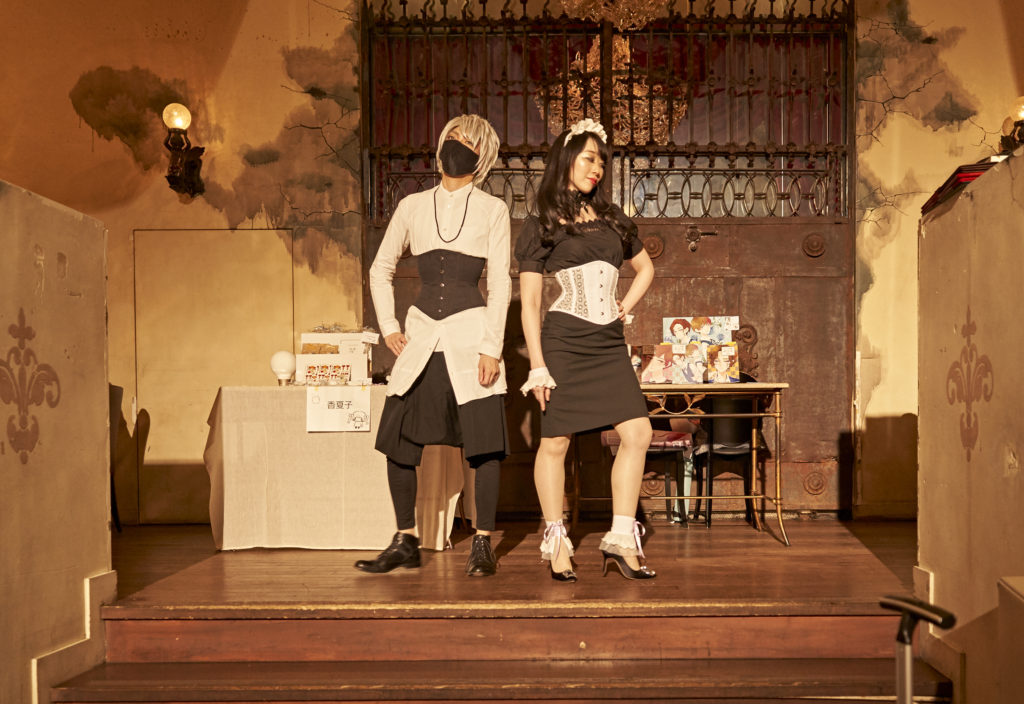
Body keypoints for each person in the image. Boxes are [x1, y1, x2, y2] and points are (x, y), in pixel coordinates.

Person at [357, 114, 511, 577]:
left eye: (467, 141)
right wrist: (389, 326)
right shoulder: (412, 206)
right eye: (452, 137)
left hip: (472, 337)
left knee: (484, 447)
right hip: (423, 336)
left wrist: (492, 347)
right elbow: (380, 269)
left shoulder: (492, 209)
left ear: (481, 156)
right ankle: (406, 539)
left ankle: (482, 541)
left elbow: (500, 283)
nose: (456, 144)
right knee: (397, 441)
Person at [516, 117, 656, 582]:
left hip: (607, 344)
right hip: (564, 341)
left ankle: (620, 538)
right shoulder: (541, 223)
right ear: (567, 159)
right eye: (589, 158)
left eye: (602, 162)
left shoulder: (612, 219)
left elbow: (646, 269)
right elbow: (531, 302)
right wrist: (538, 365)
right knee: (556, 441)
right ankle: (557, 542)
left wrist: (623, 307)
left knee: (638, 432)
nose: (597, 168)